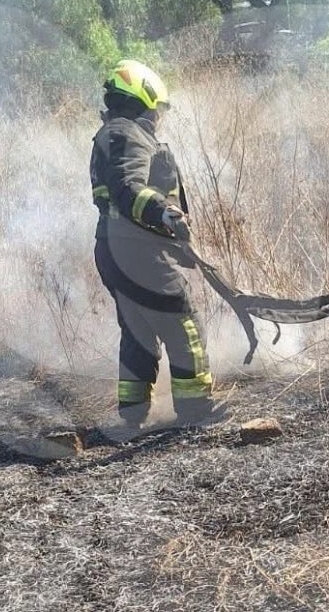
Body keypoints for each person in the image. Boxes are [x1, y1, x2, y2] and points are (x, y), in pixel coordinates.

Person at [90, 59, 219, 432]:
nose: (158, 118)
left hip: (114, 248)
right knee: (183, 322)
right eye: (156, 110)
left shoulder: (111, 133)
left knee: (137, 327)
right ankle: (196, 410)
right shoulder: (127, 134)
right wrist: (164, 214)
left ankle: (132, 413)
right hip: (137, 250)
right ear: (143, 99)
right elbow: (129, 188)